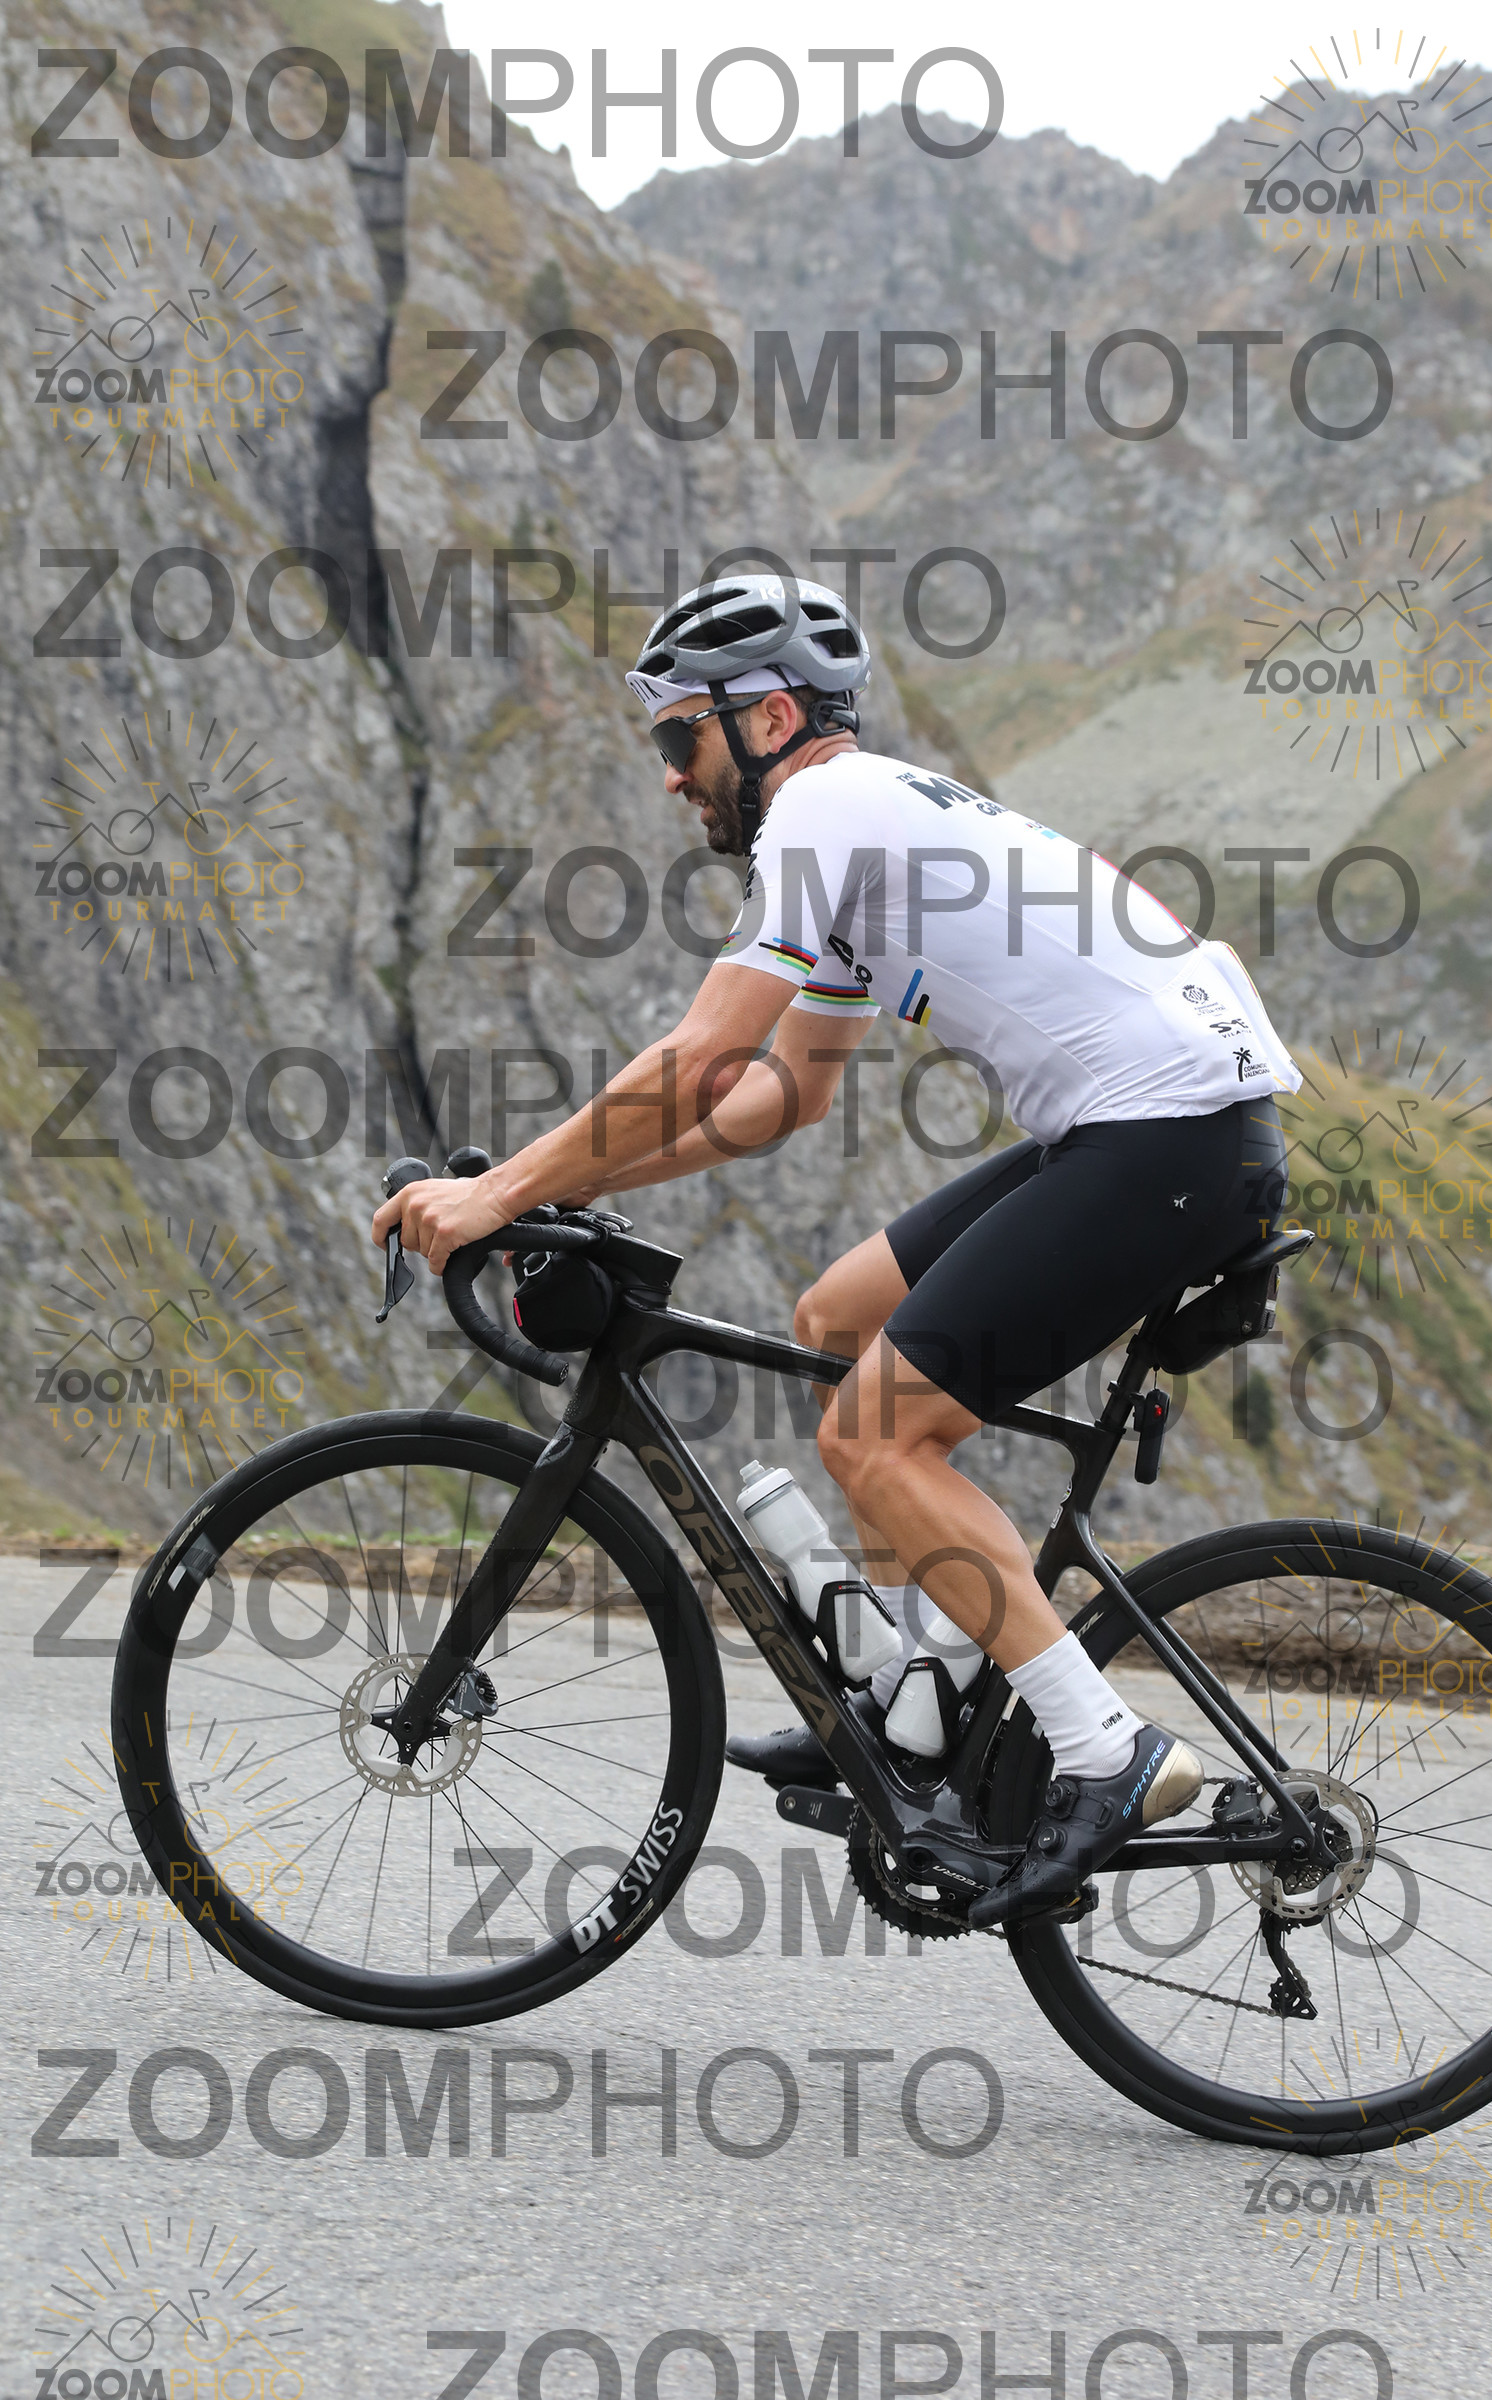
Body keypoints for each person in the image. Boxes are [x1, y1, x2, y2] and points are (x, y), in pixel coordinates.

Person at [372, 575, 1300, 1927]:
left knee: (873, 1434)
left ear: (769, 720)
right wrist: (543, 1190)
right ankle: (918, 1701)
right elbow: (775, 1098)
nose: (672, 776)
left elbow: (703, 1056)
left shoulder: (822, 811)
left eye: (680, 737)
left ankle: (1108, 1751)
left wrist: (501, 1190)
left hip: (1168, 1136)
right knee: (836, 1314)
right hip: (1159, 1125)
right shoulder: (866, 827)